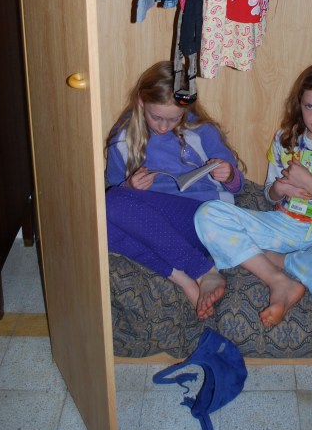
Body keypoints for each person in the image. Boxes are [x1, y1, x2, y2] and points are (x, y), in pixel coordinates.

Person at [194, 60, 312, 327]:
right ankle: (279, 280)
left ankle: (274, 260)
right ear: (299, 104)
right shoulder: (286, 138)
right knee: (207, 215)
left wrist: (310, 183)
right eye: (309, 106)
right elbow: (268, 195)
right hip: (285, 224)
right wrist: (280, 189)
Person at [105, 60, 245, 319]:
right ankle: (183, 278)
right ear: (140, 102)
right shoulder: (123, 138)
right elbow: (113, 187)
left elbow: (238, 185)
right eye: (156, 117)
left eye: (173, 119)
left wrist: (228, 175)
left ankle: (203, 271)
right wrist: (129, 186)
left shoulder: (200, 130)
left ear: (185, 109)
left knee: (109, 206)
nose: (162, 126)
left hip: (207, 219)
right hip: (163, 230)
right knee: (100, 223)